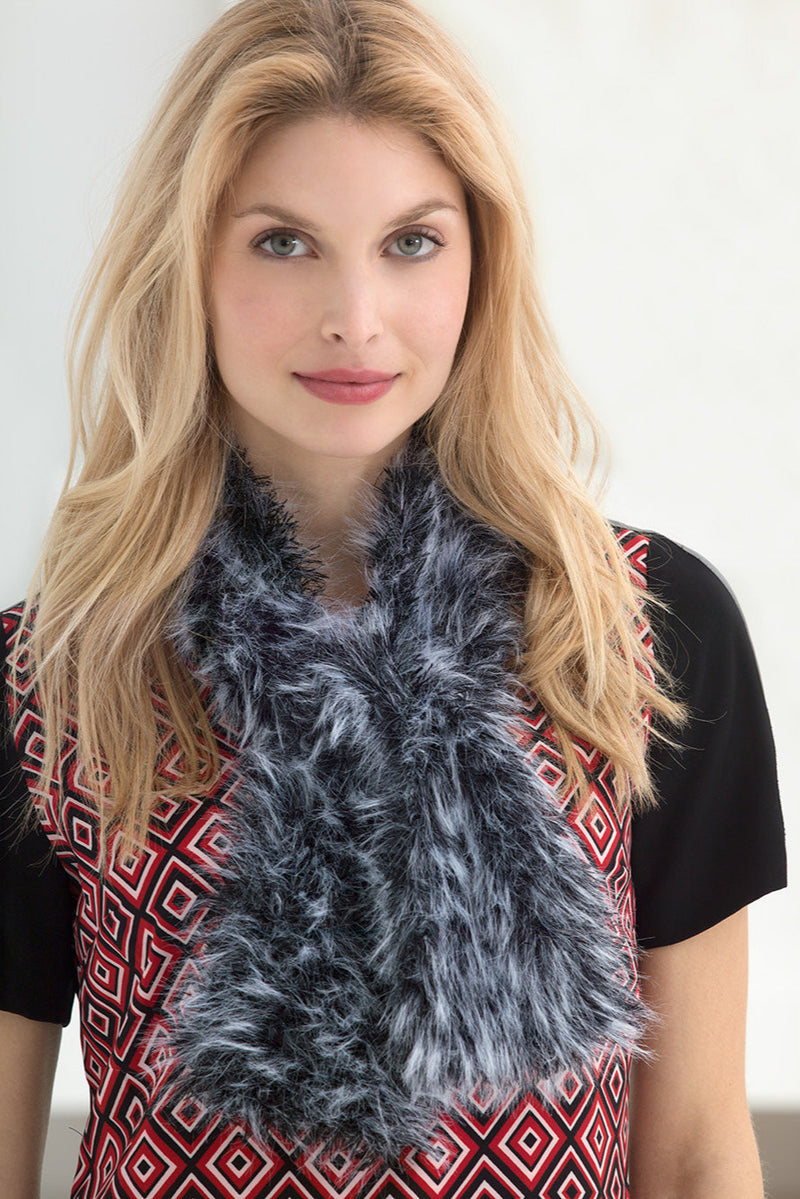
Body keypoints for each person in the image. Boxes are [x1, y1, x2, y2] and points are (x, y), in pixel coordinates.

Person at [0, 0, 786, 1195]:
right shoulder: (51, 681)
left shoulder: (634, 630)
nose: (354, 318)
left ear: (478, 260)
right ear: (186, 260)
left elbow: (691, 1156)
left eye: (410, 242)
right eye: (282, 242)